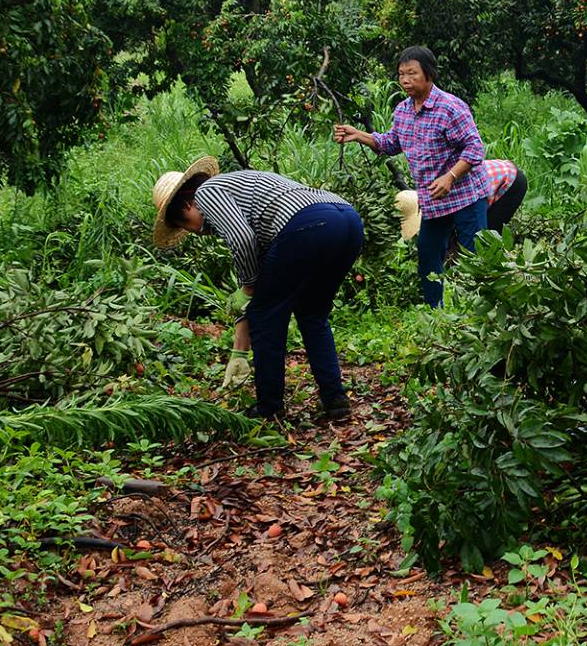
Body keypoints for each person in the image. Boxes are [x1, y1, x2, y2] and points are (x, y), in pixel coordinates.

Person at [151, 157, 361, 421]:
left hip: (308, 225)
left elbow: (243, 241)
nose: (193, 232)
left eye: (184, 224)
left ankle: (269, 408)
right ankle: (335, 400)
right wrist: (240, 349)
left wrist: (248, 289)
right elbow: (261, 275)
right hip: (347, 220)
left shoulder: (207, 191)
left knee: (267, 318)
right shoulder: (241, 196)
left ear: (186, 204)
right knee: (311, 313)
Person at [333, 46, 489, 306]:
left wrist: (450, 177)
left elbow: (475, 149)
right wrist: (358, 135)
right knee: (428, 255)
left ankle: (481, 314)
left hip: (465, 196)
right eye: (401, 74)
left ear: (429, 74)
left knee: (477, 257)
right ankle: (434, 313)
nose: (405, 80)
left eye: (412, 73)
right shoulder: (403, 111)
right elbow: (391, 143)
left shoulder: (450, 107)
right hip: (433, 200)